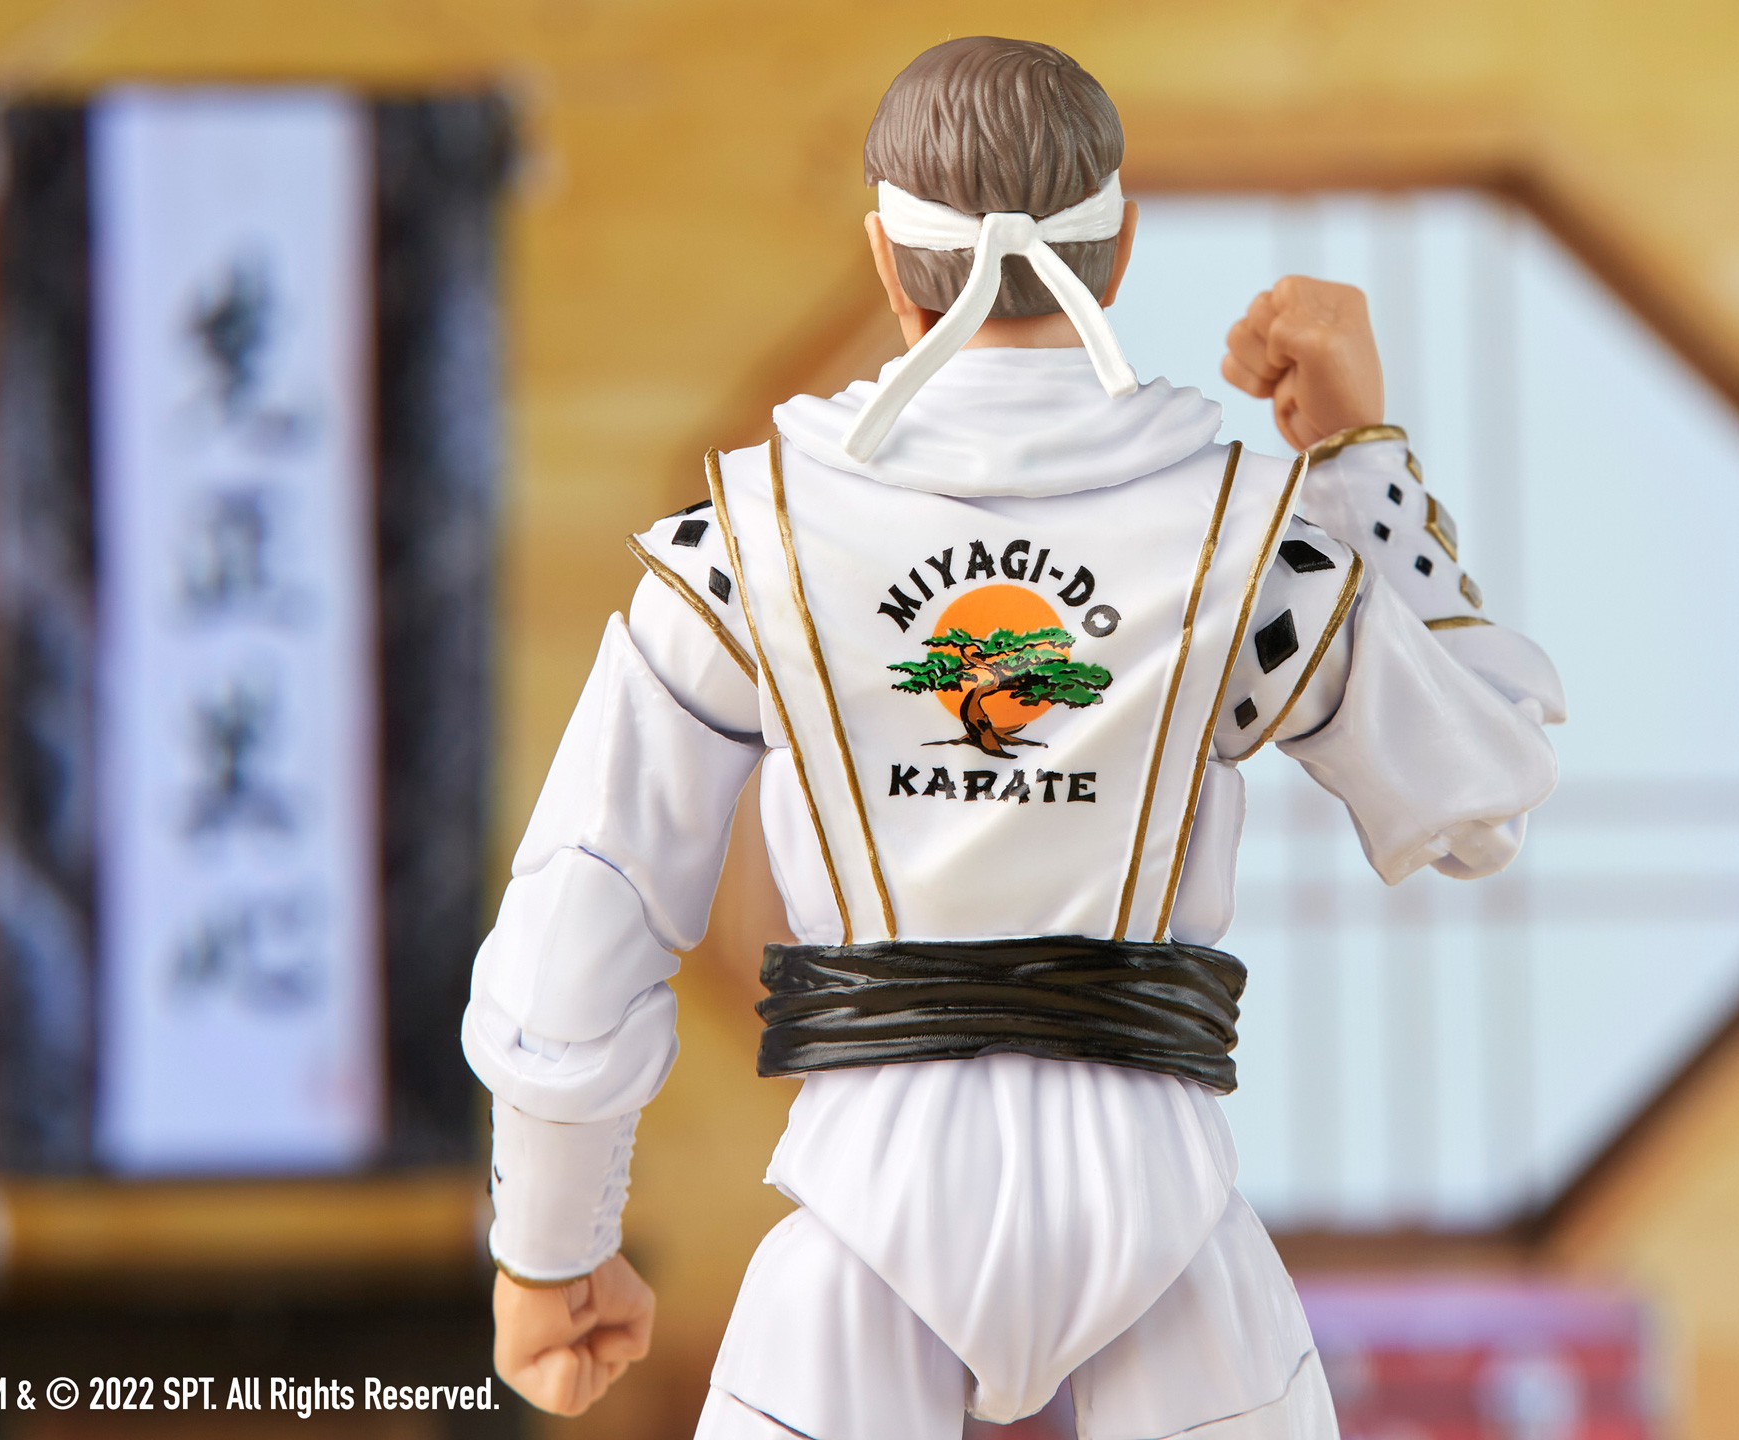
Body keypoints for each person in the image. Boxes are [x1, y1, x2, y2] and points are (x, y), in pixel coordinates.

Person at [462, 35, 1564, 1440]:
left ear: (884, 255)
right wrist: (1361, 463)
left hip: (861, 1203)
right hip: (1171, 1215)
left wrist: (549, 1248)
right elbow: (1478, 798)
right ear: (1120, 249)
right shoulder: (1246, 547)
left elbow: (590, 902)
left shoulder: (750, 547)